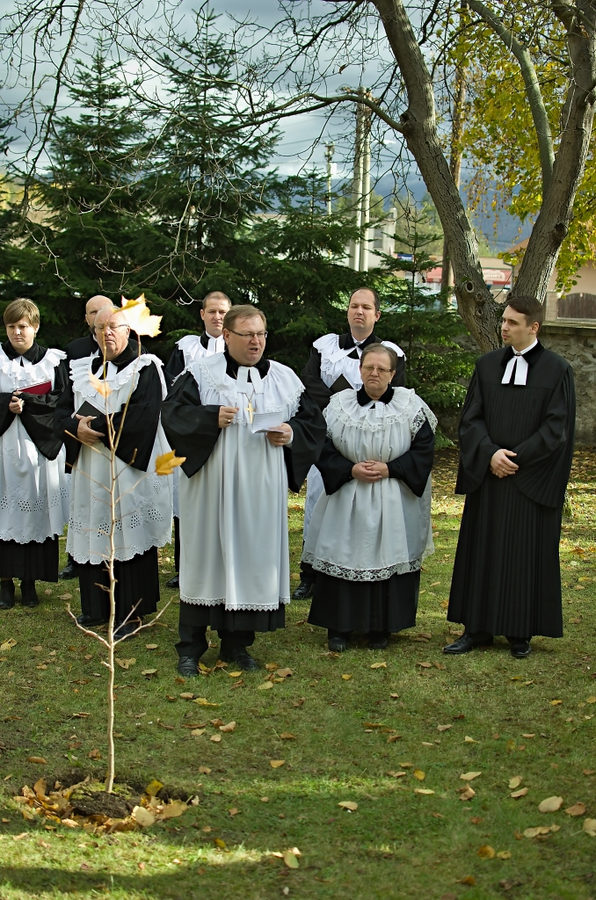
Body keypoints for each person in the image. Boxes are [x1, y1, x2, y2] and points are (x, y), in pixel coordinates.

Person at [162, 304, 326, 673]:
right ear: (227, 336)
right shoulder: (201, 374)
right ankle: (190, 647)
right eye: (248, 334)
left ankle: (236, 646)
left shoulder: (285, 379)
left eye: (261, 334)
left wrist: (291, 432)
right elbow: (172, 415)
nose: (256, 341)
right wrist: (209, 418)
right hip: (211, 490)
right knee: (206, 560)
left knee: (248, 559)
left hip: (259, 491)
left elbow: (313, 425)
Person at [444, 296, 575, 659]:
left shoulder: (557, 370)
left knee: (523, 554)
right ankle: (476, 629)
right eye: (503, 320)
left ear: (533, 327)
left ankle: (520, 632)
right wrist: (490, 455)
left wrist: (515, 459)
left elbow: (557, 428)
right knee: (482, 551)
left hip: (529, 479)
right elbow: (471, 419)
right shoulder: (486, 366)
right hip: (490, 476)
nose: (504, 327)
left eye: (513, 322)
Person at [303, 344, 436, 651]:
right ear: (360, 370)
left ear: (392, 373)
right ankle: (338, 627)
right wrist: (350, 470)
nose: (374, 374)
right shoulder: (338, 404)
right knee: (342, 552)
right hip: (347, 494)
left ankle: (381, 627)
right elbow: (321, 447)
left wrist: (391, 468)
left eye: (382, 369)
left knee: (386, 555)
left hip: (392, 495)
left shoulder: (410, 405)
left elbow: (424, 449)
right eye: (368, 368)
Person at [55, 306, 173, 637]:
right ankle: (96, 609)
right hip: (91, 466)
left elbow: (144, 416)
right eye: (100, 328)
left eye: (114, 327)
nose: (107, 332)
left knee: (128, 532)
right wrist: (72, 429)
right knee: (94, 528)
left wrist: (96, 429)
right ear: (93, 334)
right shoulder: (81, 370)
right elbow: (60, 411)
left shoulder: (145, 368)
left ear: (128, 331)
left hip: (127, 465)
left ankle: (131, 613)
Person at [293, 286, 406, 600]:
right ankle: (310, 574)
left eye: (366, 307)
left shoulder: (391, 352)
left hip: (371, 440)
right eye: (354, 306)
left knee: (364, 509)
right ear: (347, 311)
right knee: (318, 503)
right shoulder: (324, 347)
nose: (359, 311)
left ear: (376, 315)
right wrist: (344, 402)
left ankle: (359, 570)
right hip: (329, 439)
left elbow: (396, 394)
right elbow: (309, 384)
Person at [0, 298, 70, 609]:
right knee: (4, 514)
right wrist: (6, 405)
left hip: (38, 448)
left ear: (35, 327)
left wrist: (27, 403)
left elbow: (63, 401)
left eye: (23, 326)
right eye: (12, 326)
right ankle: (4, 583)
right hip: (3, 448)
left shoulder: (53, 362)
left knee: (34, 512)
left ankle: (29, 582)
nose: (17, 332)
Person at [164, 291, 231, 589]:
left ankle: (223, 564)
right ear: (202, 314)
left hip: (227, 432)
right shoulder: (185, 348)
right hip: (193, 430)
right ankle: (185, 567)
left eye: (223, 312)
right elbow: (173, 390)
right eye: (212, 311)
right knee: (187, 502)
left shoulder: (239, 346)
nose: (217, 317)